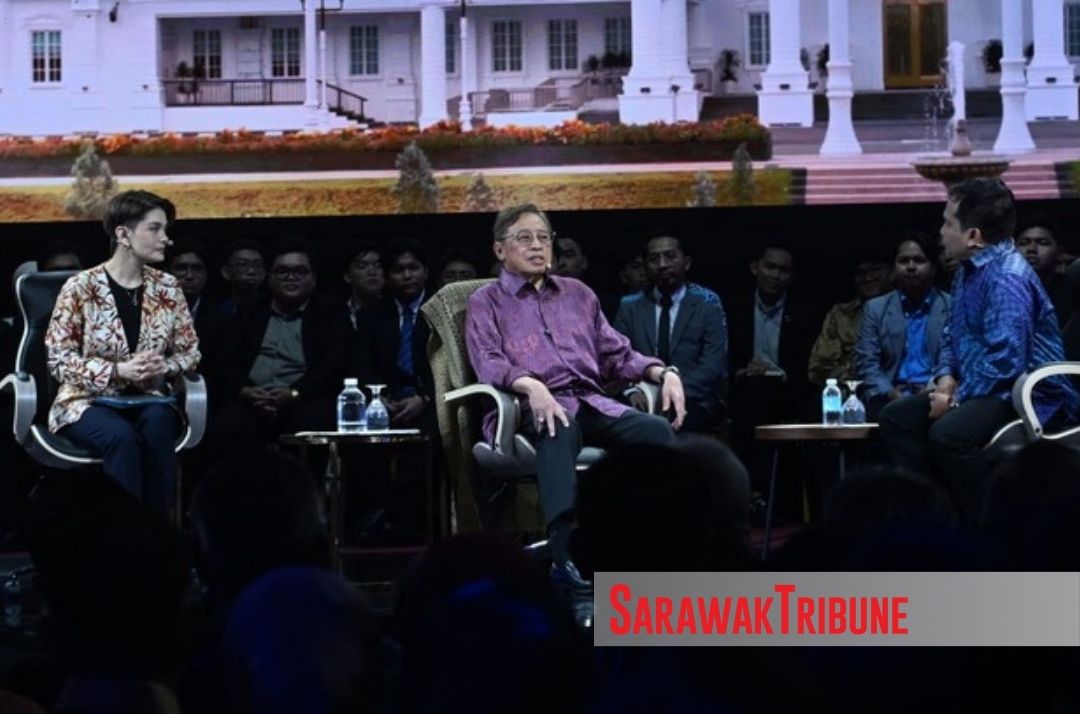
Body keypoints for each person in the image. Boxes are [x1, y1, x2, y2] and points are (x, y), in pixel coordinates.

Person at [465, 203, 684, 616]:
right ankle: (567, 557)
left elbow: (617, 354)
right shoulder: (486, 301)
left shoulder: (579, 295)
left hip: (590, 400)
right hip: (529, 409)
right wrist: (530, 384)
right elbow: (488, 361)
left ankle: (659, 543)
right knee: (557, 423)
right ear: (499, 250)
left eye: (543, 237)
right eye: (524, 238)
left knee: (655, 430)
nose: (537, 246)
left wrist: (663, 371)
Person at [878, 178, 1079, 523]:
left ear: (973, 236)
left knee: (949, 435)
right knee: (897, 418)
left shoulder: (1007, 278)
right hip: (982, 385)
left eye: (947, 223)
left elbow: (1006, 361)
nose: (941, 233)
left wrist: (954, 400)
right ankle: (935, 520)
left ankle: (993, 527)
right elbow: (950, 335)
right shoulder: (967, 271)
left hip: (1025, 392)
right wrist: (945, 379)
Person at [45, 190, 200, 516]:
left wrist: (164, 366)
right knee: (121, 438)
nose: (166, 239)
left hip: (149, 398)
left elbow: (189, 352)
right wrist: (117, 371)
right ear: (123, 235)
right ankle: (125, 537)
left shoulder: (169, 288)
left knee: (158, 428)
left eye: (165, 229)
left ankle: (160, 534)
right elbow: (59, 359)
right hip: (86, 400)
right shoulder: (80, 287)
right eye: (155, 229)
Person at [212, 238, 346, 447]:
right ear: (269, 277)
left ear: (314, 278)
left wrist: (294, 393)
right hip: (252, 397)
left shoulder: (330, 313)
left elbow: (333, 364)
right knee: (228, 423)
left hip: (304, 397)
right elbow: (226, 360)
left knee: (315, 419)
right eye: (282, 272)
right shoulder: (250, 311)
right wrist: (245, 391)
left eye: (300, 272)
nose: (291, 277)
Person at [614, 232, 728, 432]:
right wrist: (631, 390)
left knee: (678, 421)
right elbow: (617, 359)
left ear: (687, 263)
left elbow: (712, 367)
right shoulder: (629, 307)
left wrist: (671, 394)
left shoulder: (707, 305)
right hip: (642, 395)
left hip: (694, 397)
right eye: (654, 259)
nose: (662, 264)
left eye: (670, 256)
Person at [855, 235, 951, 421]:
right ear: (894, 268)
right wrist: (893, 394)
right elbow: (867, 364)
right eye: (903, 261)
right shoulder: (875, 308)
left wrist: (931, 391)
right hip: (887, 396)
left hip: (934, 395)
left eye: (919, 260)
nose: (911, 267)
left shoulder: (951, 306)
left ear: (933, 268)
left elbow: (954, 360)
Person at [806, 252, 892, 389]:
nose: (868, 278)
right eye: (861, 273)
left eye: (875, 270)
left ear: (892, 272)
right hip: (851, 390)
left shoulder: (907, 309)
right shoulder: (840, 314)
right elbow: (819, 368)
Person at [1015, 213, 1069, 324]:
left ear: (1060, 253)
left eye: (1042, 243)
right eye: (1024, 243)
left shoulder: (1071, 296)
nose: (1032, 249)